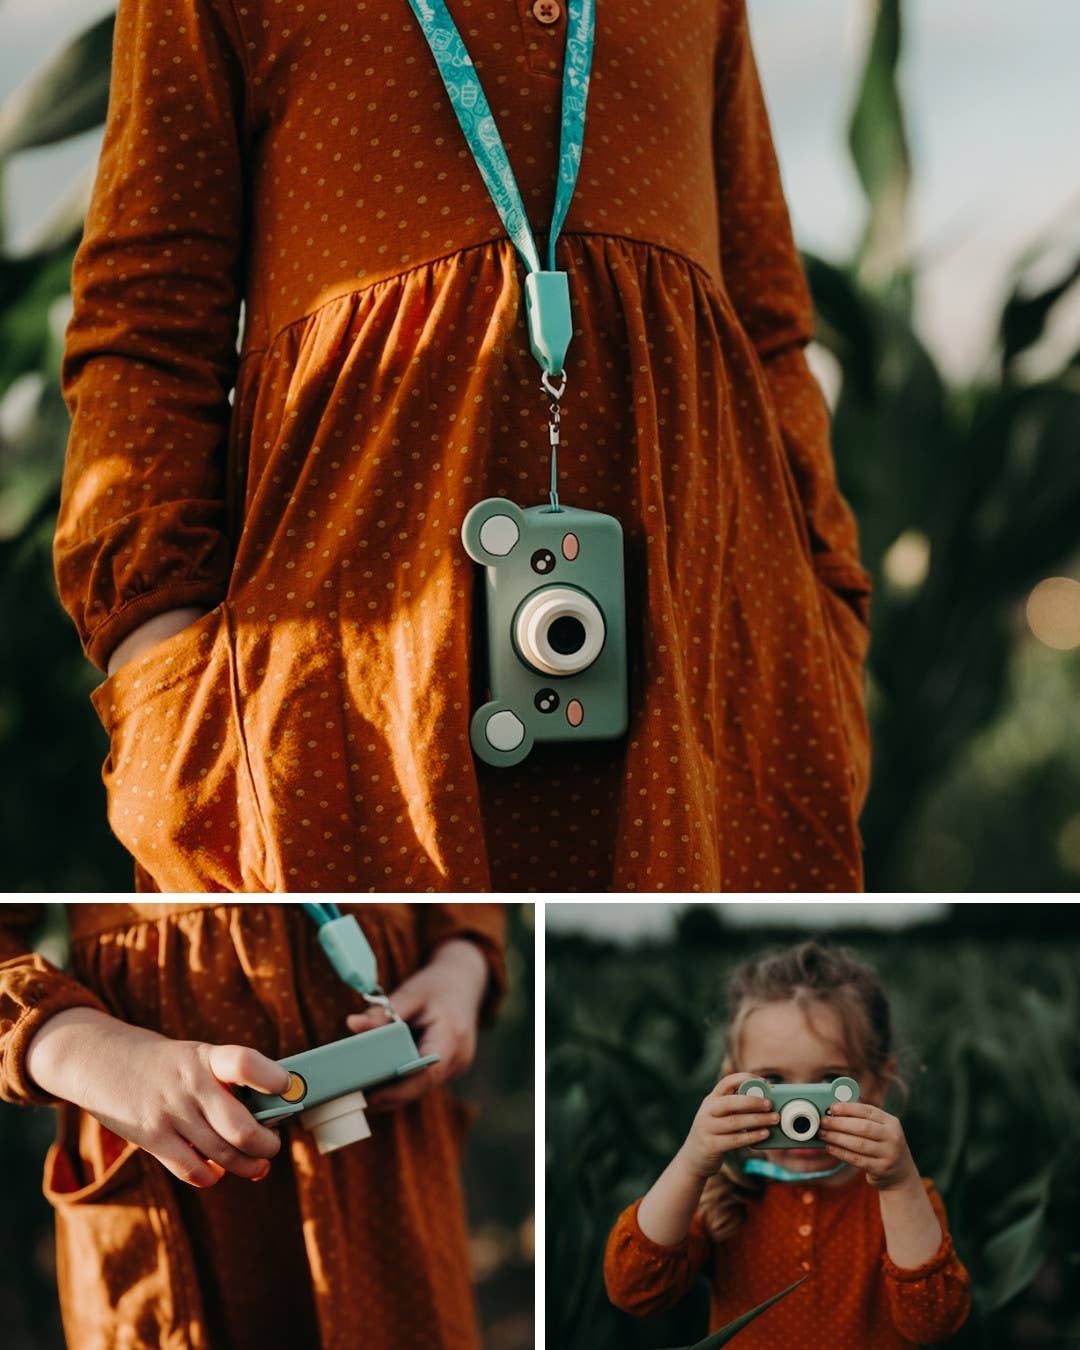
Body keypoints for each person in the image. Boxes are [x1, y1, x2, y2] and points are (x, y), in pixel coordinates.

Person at [54, 0, 871, 893]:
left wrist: (826, 619)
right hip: (346, 721)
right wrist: (162, 667)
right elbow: (146, 319)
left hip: (710, 703)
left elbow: (770, 326)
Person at [0, 901, 506, 1349]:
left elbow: (463, 881)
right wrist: (81, 1050)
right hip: (173, 1161)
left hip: (389, 1164)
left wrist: (461, 961)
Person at [603, 942, 971, 1346]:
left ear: (879, 1085)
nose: (801, 1116)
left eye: (831, 1080)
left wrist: (899, 1185)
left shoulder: (908, 1201)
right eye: (772, 1082)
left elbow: (935, 1323)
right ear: (733, 1084)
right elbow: (633, 1288)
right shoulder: (721, 1200)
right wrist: (692, 1162)